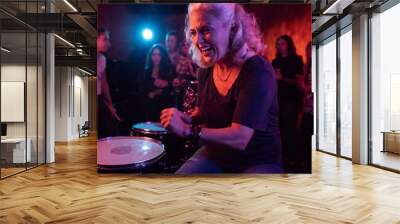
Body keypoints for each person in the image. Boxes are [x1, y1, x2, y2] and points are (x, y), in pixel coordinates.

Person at [160, 3, 282, 173]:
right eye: (193, 32)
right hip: (216, 154)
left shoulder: (257, 69)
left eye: (206, 30)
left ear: (232, 28)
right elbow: (202, 112)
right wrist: (188, 119)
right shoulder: (206, 68)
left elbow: (240, 137)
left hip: (256, 161)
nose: (197, 41)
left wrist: (189, 130)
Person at [272, 35, 304, 172]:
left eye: (282, 43)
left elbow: (299, 82)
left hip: (292, 99)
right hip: (278, 99)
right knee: (278, 129)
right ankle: (281, 158)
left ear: (288, 45)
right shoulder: (275, 62)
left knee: (289, 129)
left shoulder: (296, 60)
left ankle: (292, 159)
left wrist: (282, 78)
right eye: (278, 44)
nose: (279, 46)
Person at [97, 28, 121, 139]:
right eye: (105, 39)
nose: (109, 43)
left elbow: (104, 83)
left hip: (99, 98)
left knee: (110, 129)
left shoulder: (102, 59)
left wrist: (110, 104)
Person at [143, 44, 175, 122]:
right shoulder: (147, 71)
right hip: (149, 107)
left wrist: (165, 85)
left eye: (159, 55)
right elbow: (142, 89)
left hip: (164, 108)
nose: (156, 57)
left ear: (163, 56)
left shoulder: (168, 70)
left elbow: (172, 88)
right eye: (154, 54)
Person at [296, 42, 313, 173]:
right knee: (304, 135)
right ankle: (305, 162)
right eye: (307, 50)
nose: (308, 53)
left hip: (312, 108)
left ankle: (307, 163)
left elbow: (309, 87)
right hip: (307, 107)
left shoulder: (313, 65)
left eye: (309, 50)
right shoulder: (306, 66)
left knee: (307, 135)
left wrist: (301, 83)